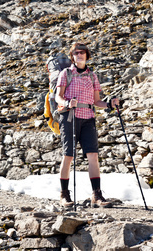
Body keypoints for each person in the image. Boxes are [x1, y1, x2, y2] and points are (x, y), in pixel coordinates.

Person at [55, 42, 119, 208]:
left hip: (88, 117)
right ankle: (64, 195)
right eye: (76, 53)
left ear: (87, 55)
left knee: (93, 156)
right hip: (70, 117)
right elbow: (58, 97)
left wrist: (110, 105)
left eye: (83, 52)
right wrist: (68, 103)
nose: (80, 55)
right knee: (68, 156)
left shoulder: (92, 76)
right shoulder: (66, 73)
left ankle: (96, 195)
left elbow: (97, 101)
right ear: (72, 56)